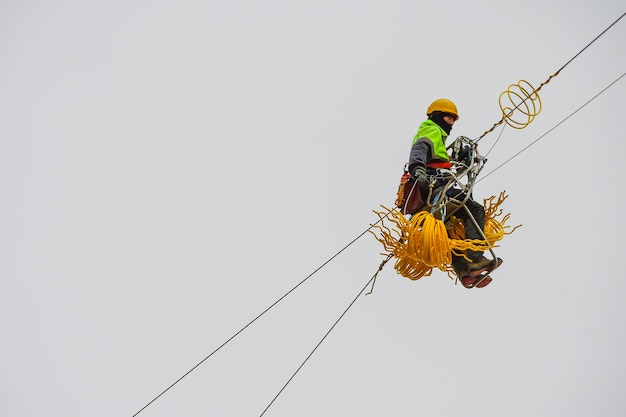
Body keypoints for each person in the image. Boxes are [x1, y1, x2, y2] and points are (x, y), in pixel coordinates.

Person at [406, 98, 498, 288]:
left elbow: (441, 161)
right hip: (434, 188)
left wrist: (458, 158)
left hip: (431, 192)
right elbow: (419, 149)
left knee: (450, 233)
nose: (451, 123)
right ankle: (475, 256)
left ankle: (464, 271)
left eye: (454, 120)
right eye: (449, 118)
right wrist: (418, 169)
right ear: (438, 116)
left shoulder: (438, 138)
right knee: (474, 209)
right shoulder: (431, 129)